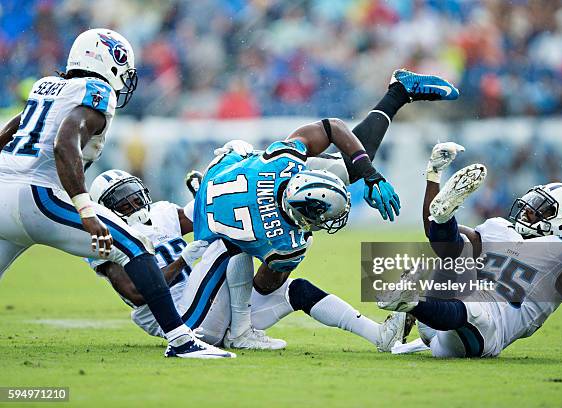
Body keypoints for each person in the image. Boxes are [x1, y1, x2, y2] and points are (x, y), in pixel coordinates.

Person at [0, 28, 232, 359]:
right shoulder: (96, 91)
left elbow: (11, 129)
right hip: (38, 195)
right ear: (109, 60)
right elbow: (64, 144)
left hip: (2, 194)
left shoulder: (45, 87)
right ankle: (182, 340)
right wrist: (85, 209)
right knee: (135, 245)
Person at [189, 69, 460, 349]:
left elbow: (332, 127)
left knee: (346, 169)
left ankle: (399, 93)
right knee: (267, 273)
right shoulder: (286, 233)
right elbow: (265, 285)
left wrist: (369, 173)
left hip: (216, 184)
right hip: (208, 285)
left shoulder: (281, 164)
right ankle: (242, 331)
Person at [88, 169, 410, 352]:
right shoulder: (104, 237)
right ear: (106, 208)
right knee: (232, 234)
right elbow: (137, 292)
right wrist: (185, 260)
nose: (133, 201)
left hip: (216, 302)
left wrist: (209, 190)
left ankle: (379, 337)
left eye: (133, 191)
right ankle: (241, 333)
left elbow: (199, 214)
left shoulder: (159, 213)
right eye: (121, 198)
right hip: (184, 322)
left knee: (296, 289)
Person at [379, 143, 562, 357]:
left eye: (541, 208)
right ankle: (444, 219)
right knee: (458, 246)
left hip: (483, 333)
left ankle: (410, 304)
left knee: (479, 311)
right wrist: (433, 175)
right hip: (437, 320)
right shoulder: (500, 229)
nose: (529, 210)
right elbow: (437, 238)